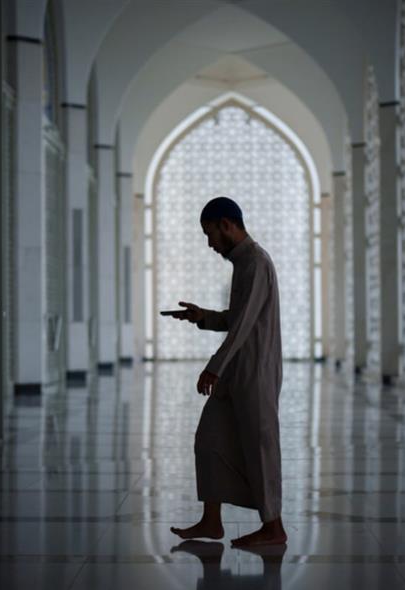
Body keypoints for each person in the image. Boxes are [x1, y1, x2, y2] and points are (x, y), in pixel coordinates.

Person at [166, 196, 286, 547]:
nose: (210, 243)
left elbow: (244, 325)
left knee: (260, 447)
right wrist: (203, 316)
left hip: (255, 372)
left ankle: (273, 527)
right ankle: (211, 521)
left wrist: (213, 367)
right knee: (209, 439)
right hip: (238, 370)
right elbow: (237, 319)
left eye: (210, 234)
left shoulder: (256, 262)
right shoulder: (243, 263)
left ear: (226, 224)